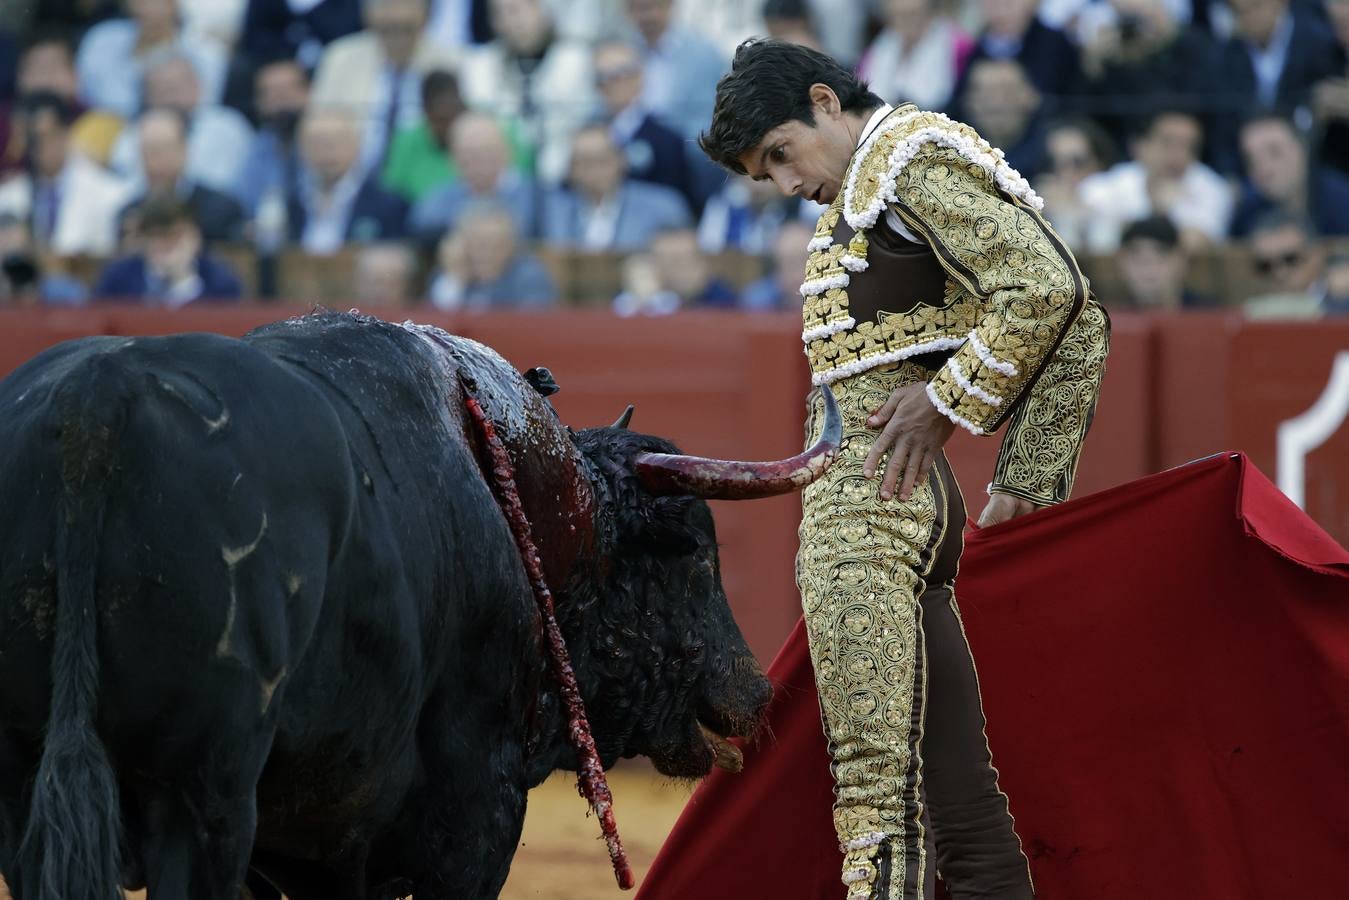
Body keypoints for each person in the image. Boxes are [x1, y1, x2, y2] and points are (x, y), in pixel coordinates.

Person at [700, 39, 1109, 899]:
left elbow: (1049, 291)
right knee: (956, 794)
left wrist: (948, 404)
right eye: (759, 173)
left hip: (873, 511)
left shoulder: (906, 160)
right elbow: (1075, 315)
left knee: (875, 793)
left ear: (824, 100)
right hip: (893, 502)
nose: (782, 183)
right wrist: (1021, 478)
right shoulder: (876, 177)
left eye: (780, 152)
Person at [1077, 107, 1231, 252]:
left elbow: (1196, 244)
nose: (1179, 154)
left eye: (1189, 146)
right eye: (1168, 142)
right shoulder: (1111, 184)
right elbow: (1090, 235)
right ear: (1139, 146)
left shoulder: (1212, 188)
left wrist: (1162, 213)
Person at [0, 92, 133, 257]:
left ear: (65, 132)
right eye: (30, 139)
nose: (38, 147)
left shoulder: (111, 193)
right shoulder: (7, 196)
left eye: (45, 136)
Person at [540, 124, 691, 252]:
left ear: (621, 160)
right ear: (570, 170)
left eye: (601, 160)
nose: (593, 171)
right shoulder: (551, 210)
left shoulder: (663, 206)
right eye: (583, 162)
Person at [122, 108, 245, 242]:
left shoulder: (221, 211)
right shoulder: (129, 215)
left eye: (163, 151)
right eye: (147, 153)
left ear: (184, 150)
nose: (154, 162)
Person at [93, 195, 243, 305]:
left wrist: (182, 281)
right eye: (158, 235)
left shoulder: (220, 280)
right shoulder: (118, 278)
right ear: (143, 239)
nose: (167, 245)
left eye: (176, 236)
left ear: (195, 237)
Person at [1230, 111, 1349, 238]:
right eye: (1250, 160)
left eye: (1275, 152)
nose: (1263, 169)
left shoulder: (1343, 202)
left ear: (1304, 148)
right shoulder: (1245, 214)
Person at [427, 201, 556, 309]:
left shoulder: (529, 277)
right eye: (479, 244)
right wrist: (455, 278)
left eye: (496, 245)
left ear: (512, 247)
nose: (486, 253)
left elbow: (533, 328)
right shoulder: (448, 275)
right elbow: (434, 329)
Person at [1114, 215, 1216, 310]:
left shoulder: (1211, 313)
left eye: (1161, 254)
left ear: (1181, 261)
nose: (1148, 268)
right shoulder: (1109, 320)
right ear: (1122, 262)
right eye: (1137, 257)